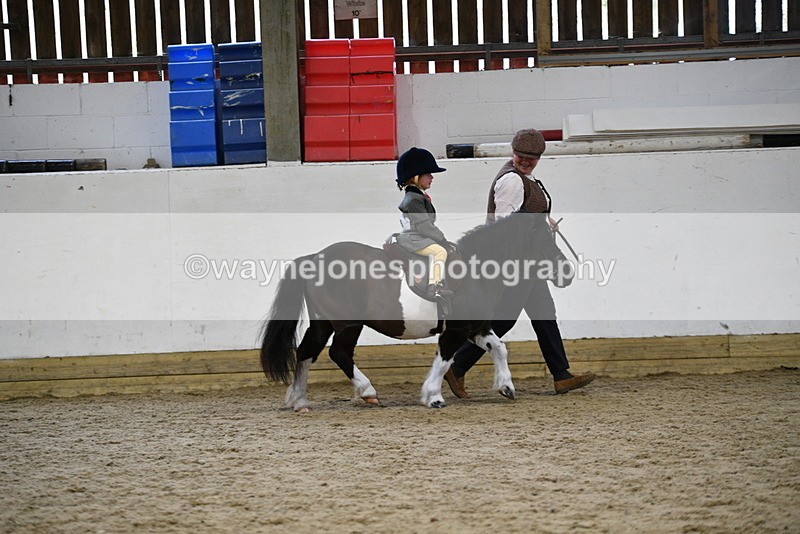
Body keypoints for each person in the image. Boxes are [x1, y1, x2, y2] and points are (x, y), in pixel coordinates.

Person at [444, 129, 596, 396]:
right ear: (513, 152)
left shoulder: (524, 178)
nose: (525, 161)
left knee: (544, 315)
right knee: (505, 319)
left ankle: (561, 375)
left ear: (539, 157)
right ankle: (455, 367)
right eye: (520, 155)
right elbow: (505, 227)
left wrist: (542, 222)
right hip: (516, 263)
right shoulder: (512, 181)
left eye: (531, 157)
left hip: (528, 261)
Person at [395, 147, 455, 303]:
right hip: (414, 238)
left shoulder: (417, 196)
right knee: (439, 252)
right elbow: (425, 227)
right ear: (415, 177)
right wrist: (442, 239)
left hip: (418, 236)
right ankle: (434, 285)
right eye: (428, 174)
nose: (432, 177)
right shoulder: (414, 200)